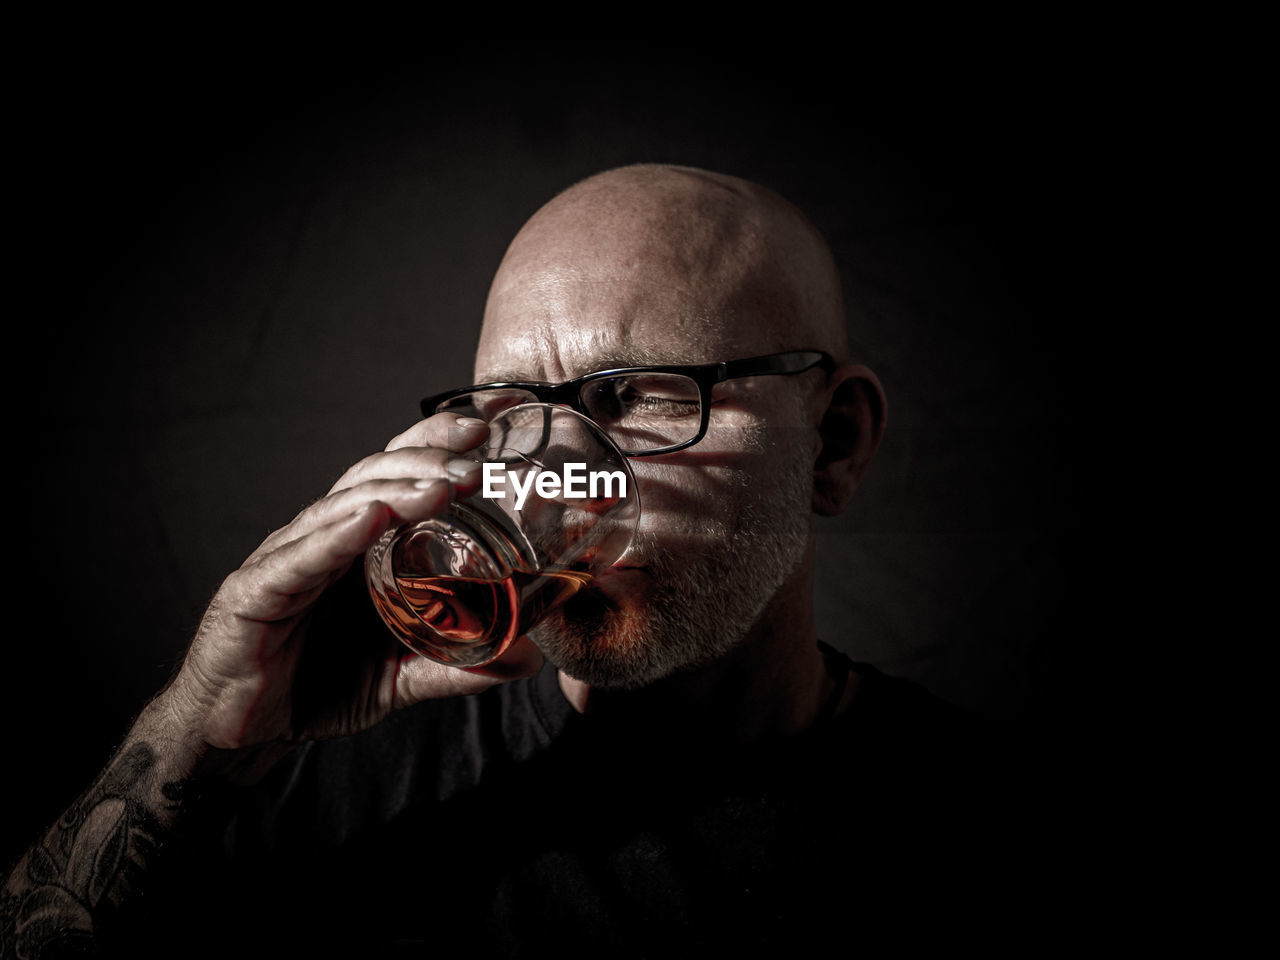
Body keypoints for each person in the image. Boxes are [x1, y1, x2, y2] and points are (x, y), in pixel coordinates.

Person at [3, 164, 1032, 956]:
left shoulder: (964, 827)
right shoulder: (319, 770)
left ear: (835, 442)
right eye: (504, 417)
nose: (545, 475)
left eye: (630, 397)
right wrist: (200, 730)